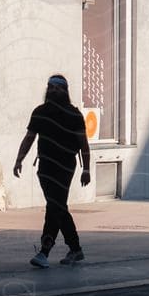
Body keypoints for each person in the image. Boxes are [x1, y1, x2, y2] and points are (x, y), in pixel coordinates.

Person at [14, 73, 91, 267]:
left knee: (55, 206)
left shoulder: (74, 114)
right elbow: (29, 138)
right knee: (56, 206)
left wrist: (86, 169)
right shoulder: (40, 112)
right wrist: (19, 159)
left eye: (58, 87)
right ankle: (75, 249)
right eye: (51, 86)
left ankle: (44, 252)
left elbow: (83, 144)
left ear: (65, 91)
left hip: (66, 166)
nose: (53, 90)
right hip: (45, 166)